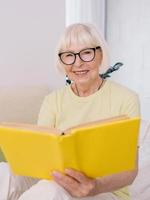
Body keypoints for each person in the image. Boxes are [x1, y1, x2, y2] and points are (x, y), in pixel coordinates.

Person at [0, 23, 140, 200]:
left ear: (100, 55)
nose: (78, 63)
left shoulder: (126, 98)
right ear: (61, 61)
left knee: (50, 190)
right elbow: (41, 154)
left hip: (104, 191)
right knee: (3, 173)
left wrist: (95, 186)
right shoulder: (53, 100)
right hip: (54, 179)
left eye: (87, 53)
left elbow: (130, 170)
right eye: (69, 55)